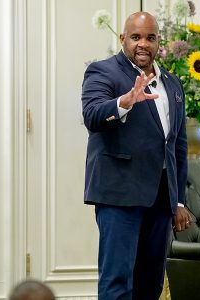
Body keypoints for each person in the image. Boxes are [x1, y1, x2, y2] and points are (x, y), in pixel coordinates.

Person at [81, 11, 192, 300]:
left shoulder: (173, 83)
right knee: (117, 283)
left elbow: (178, 145)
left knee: (150, 283)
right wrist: (124, 102)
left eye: (150, 37)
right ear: (123, 39)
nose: (143, 44)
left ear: (158, 42)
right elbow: (92, 115)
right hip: (119, 195)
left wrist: (178, 200)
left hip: (160, 201)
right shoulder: (103, 71)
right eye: (136, 37)